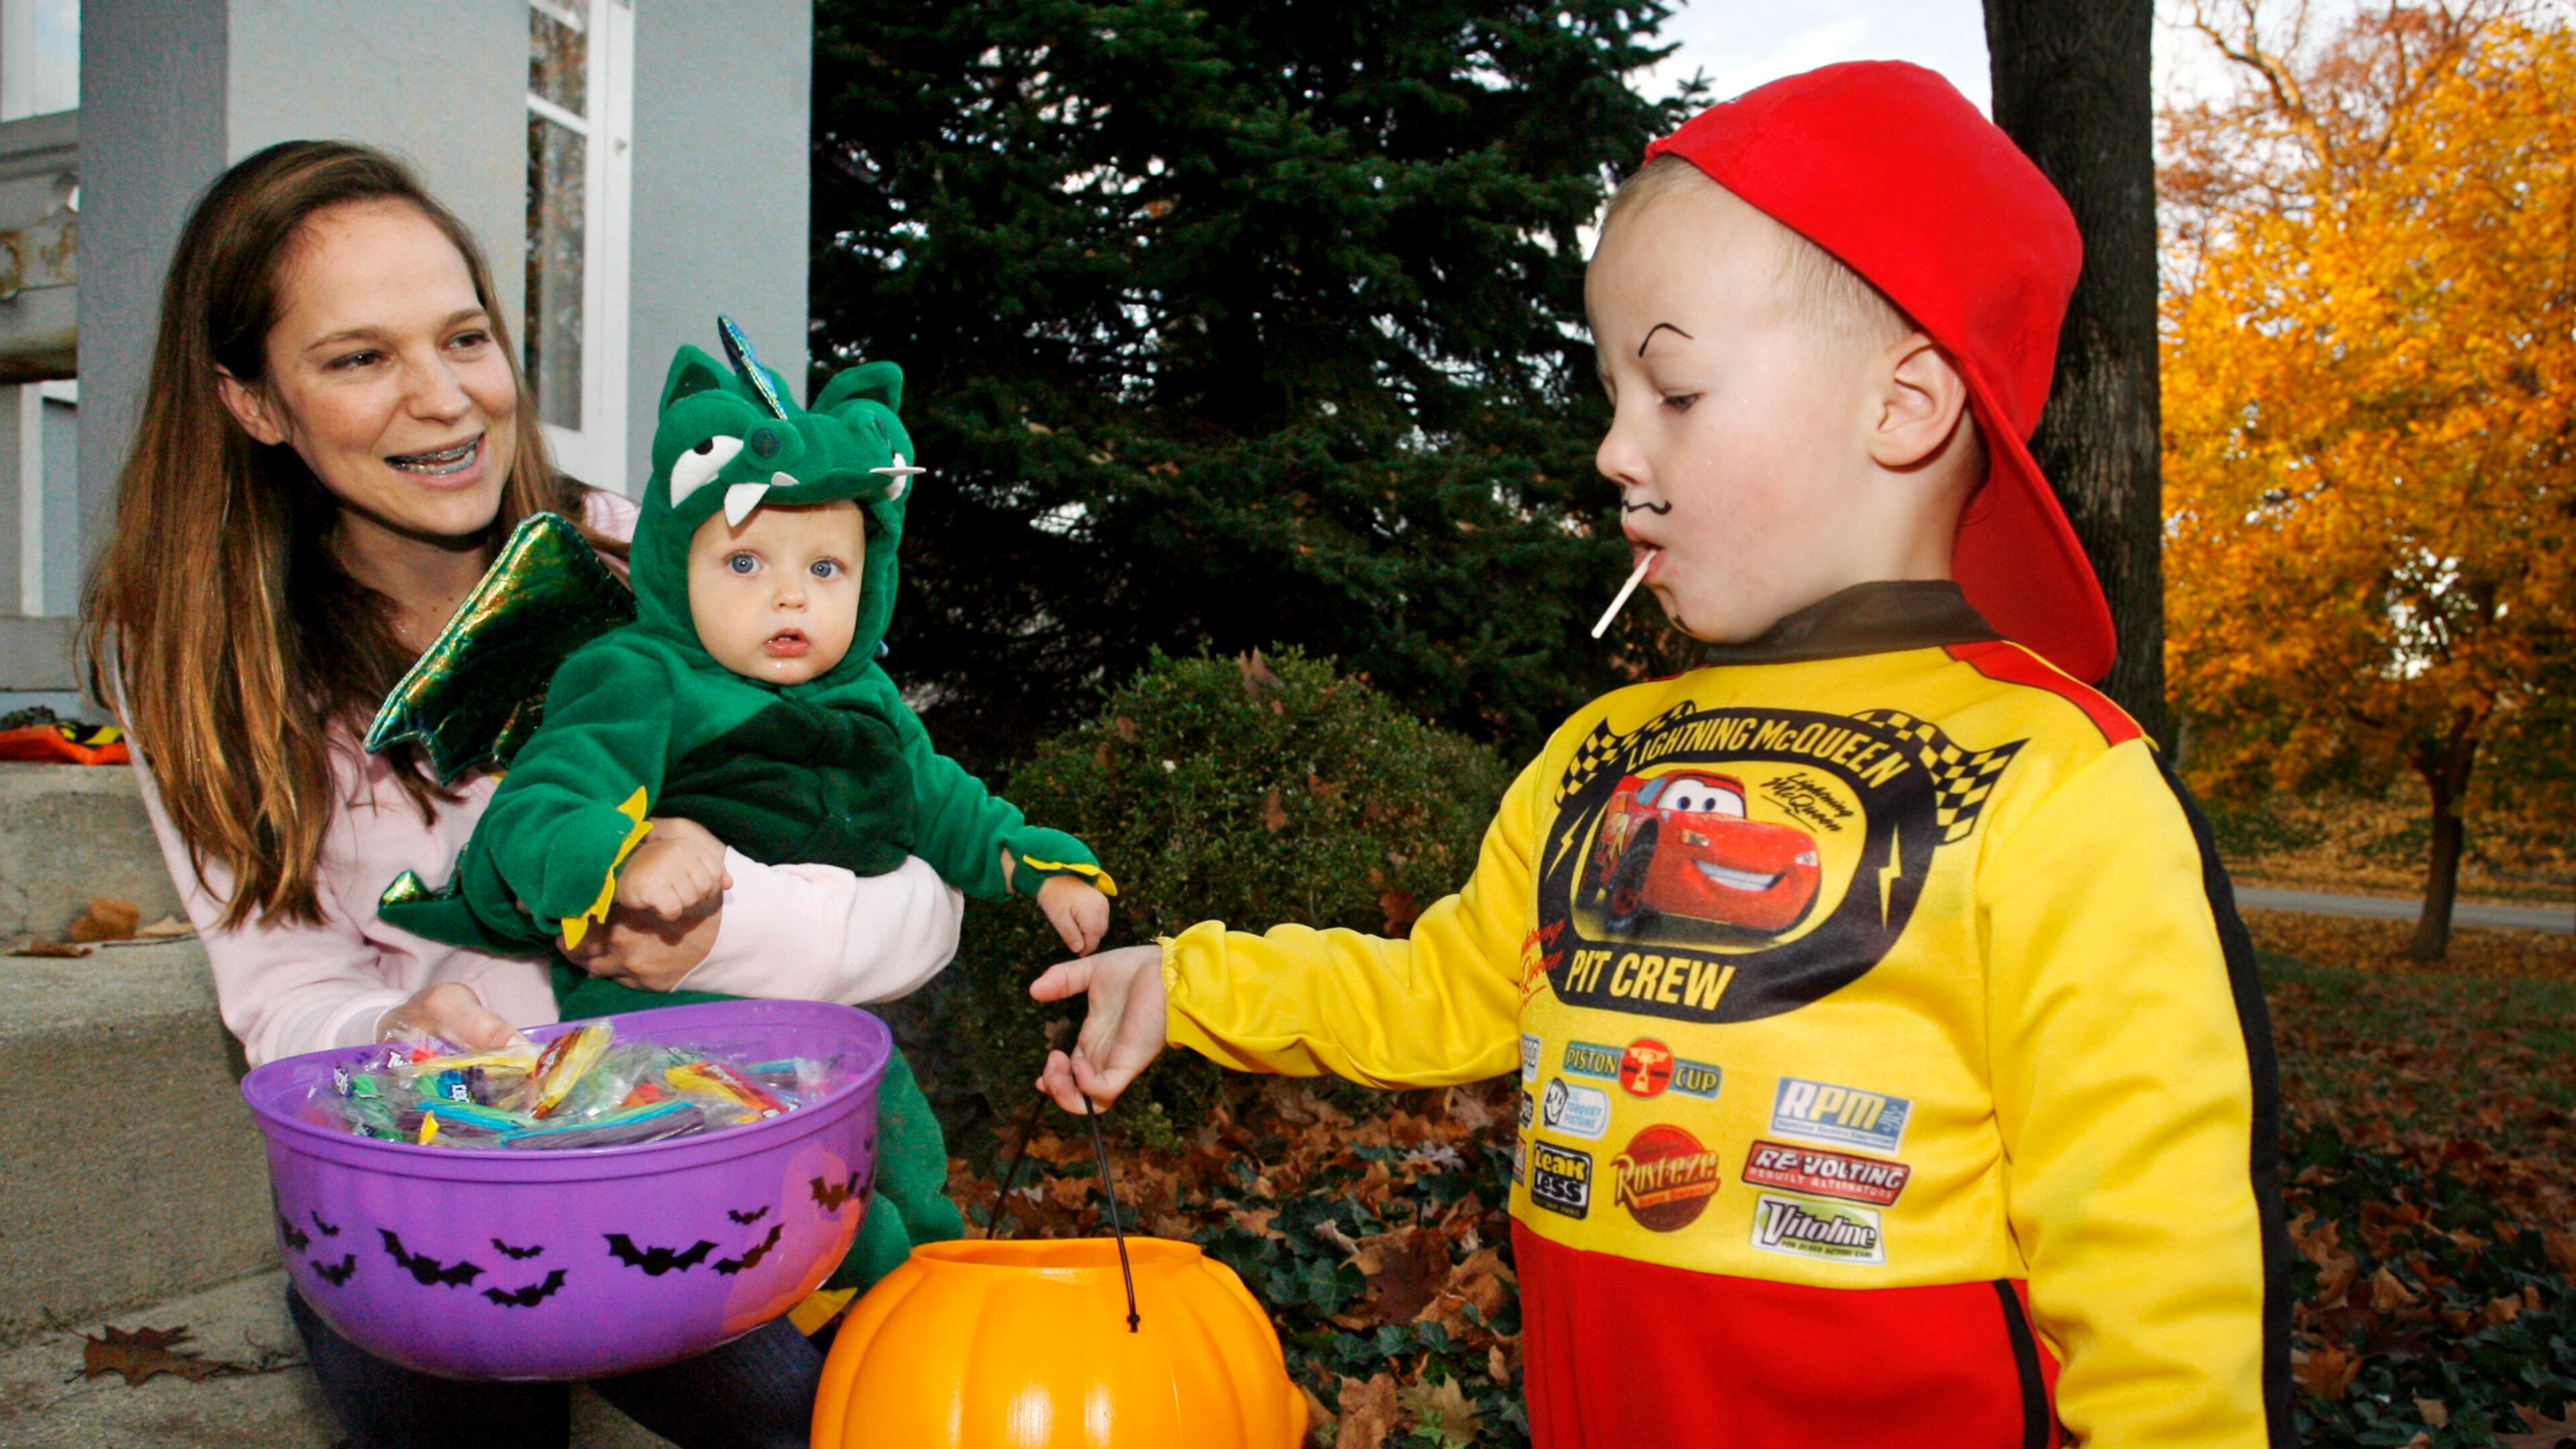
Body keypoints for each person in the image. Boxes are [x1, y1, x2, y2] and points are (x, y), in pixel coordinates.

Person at [1030, 63, 2289, 1448]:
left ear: (1906, 404)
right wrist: (1187, 982)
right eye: (1612, 390)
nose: (1616, 449)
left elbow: (2160, 1275)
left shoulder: (2060, 781)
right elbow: (1448, 987)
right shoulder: (1600, 756)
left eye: (1675, 390)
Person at [81, 140, 956, 1448]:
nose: (445, 401)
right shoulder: (202, 655)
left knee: (818, 1418)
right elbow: (275, 987)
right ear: (254, 402)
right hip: (435, 1187)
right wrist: (390, 1029)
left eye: (464, 338)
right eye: (359, 357)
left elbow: (925, 894)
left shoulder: (661, 559)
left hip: (705, 1160)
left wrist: (728, 928)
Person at [374, 323, 1116, 1292]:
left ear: (870, 581)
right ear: (676, 565)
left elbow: (940, 802)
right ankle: (831, 1295)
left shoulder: (868, 706)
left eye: (825, 571)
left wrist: (1031, 860)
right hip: (669, 1022)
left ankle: (929, 1295)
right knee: (800, 1201)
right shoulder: (641, 676)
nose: (789, 601)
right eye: (744, 565)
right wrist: (623, 854)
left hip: (823, 1020)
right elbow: (540, 802)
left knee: (907, 1153)